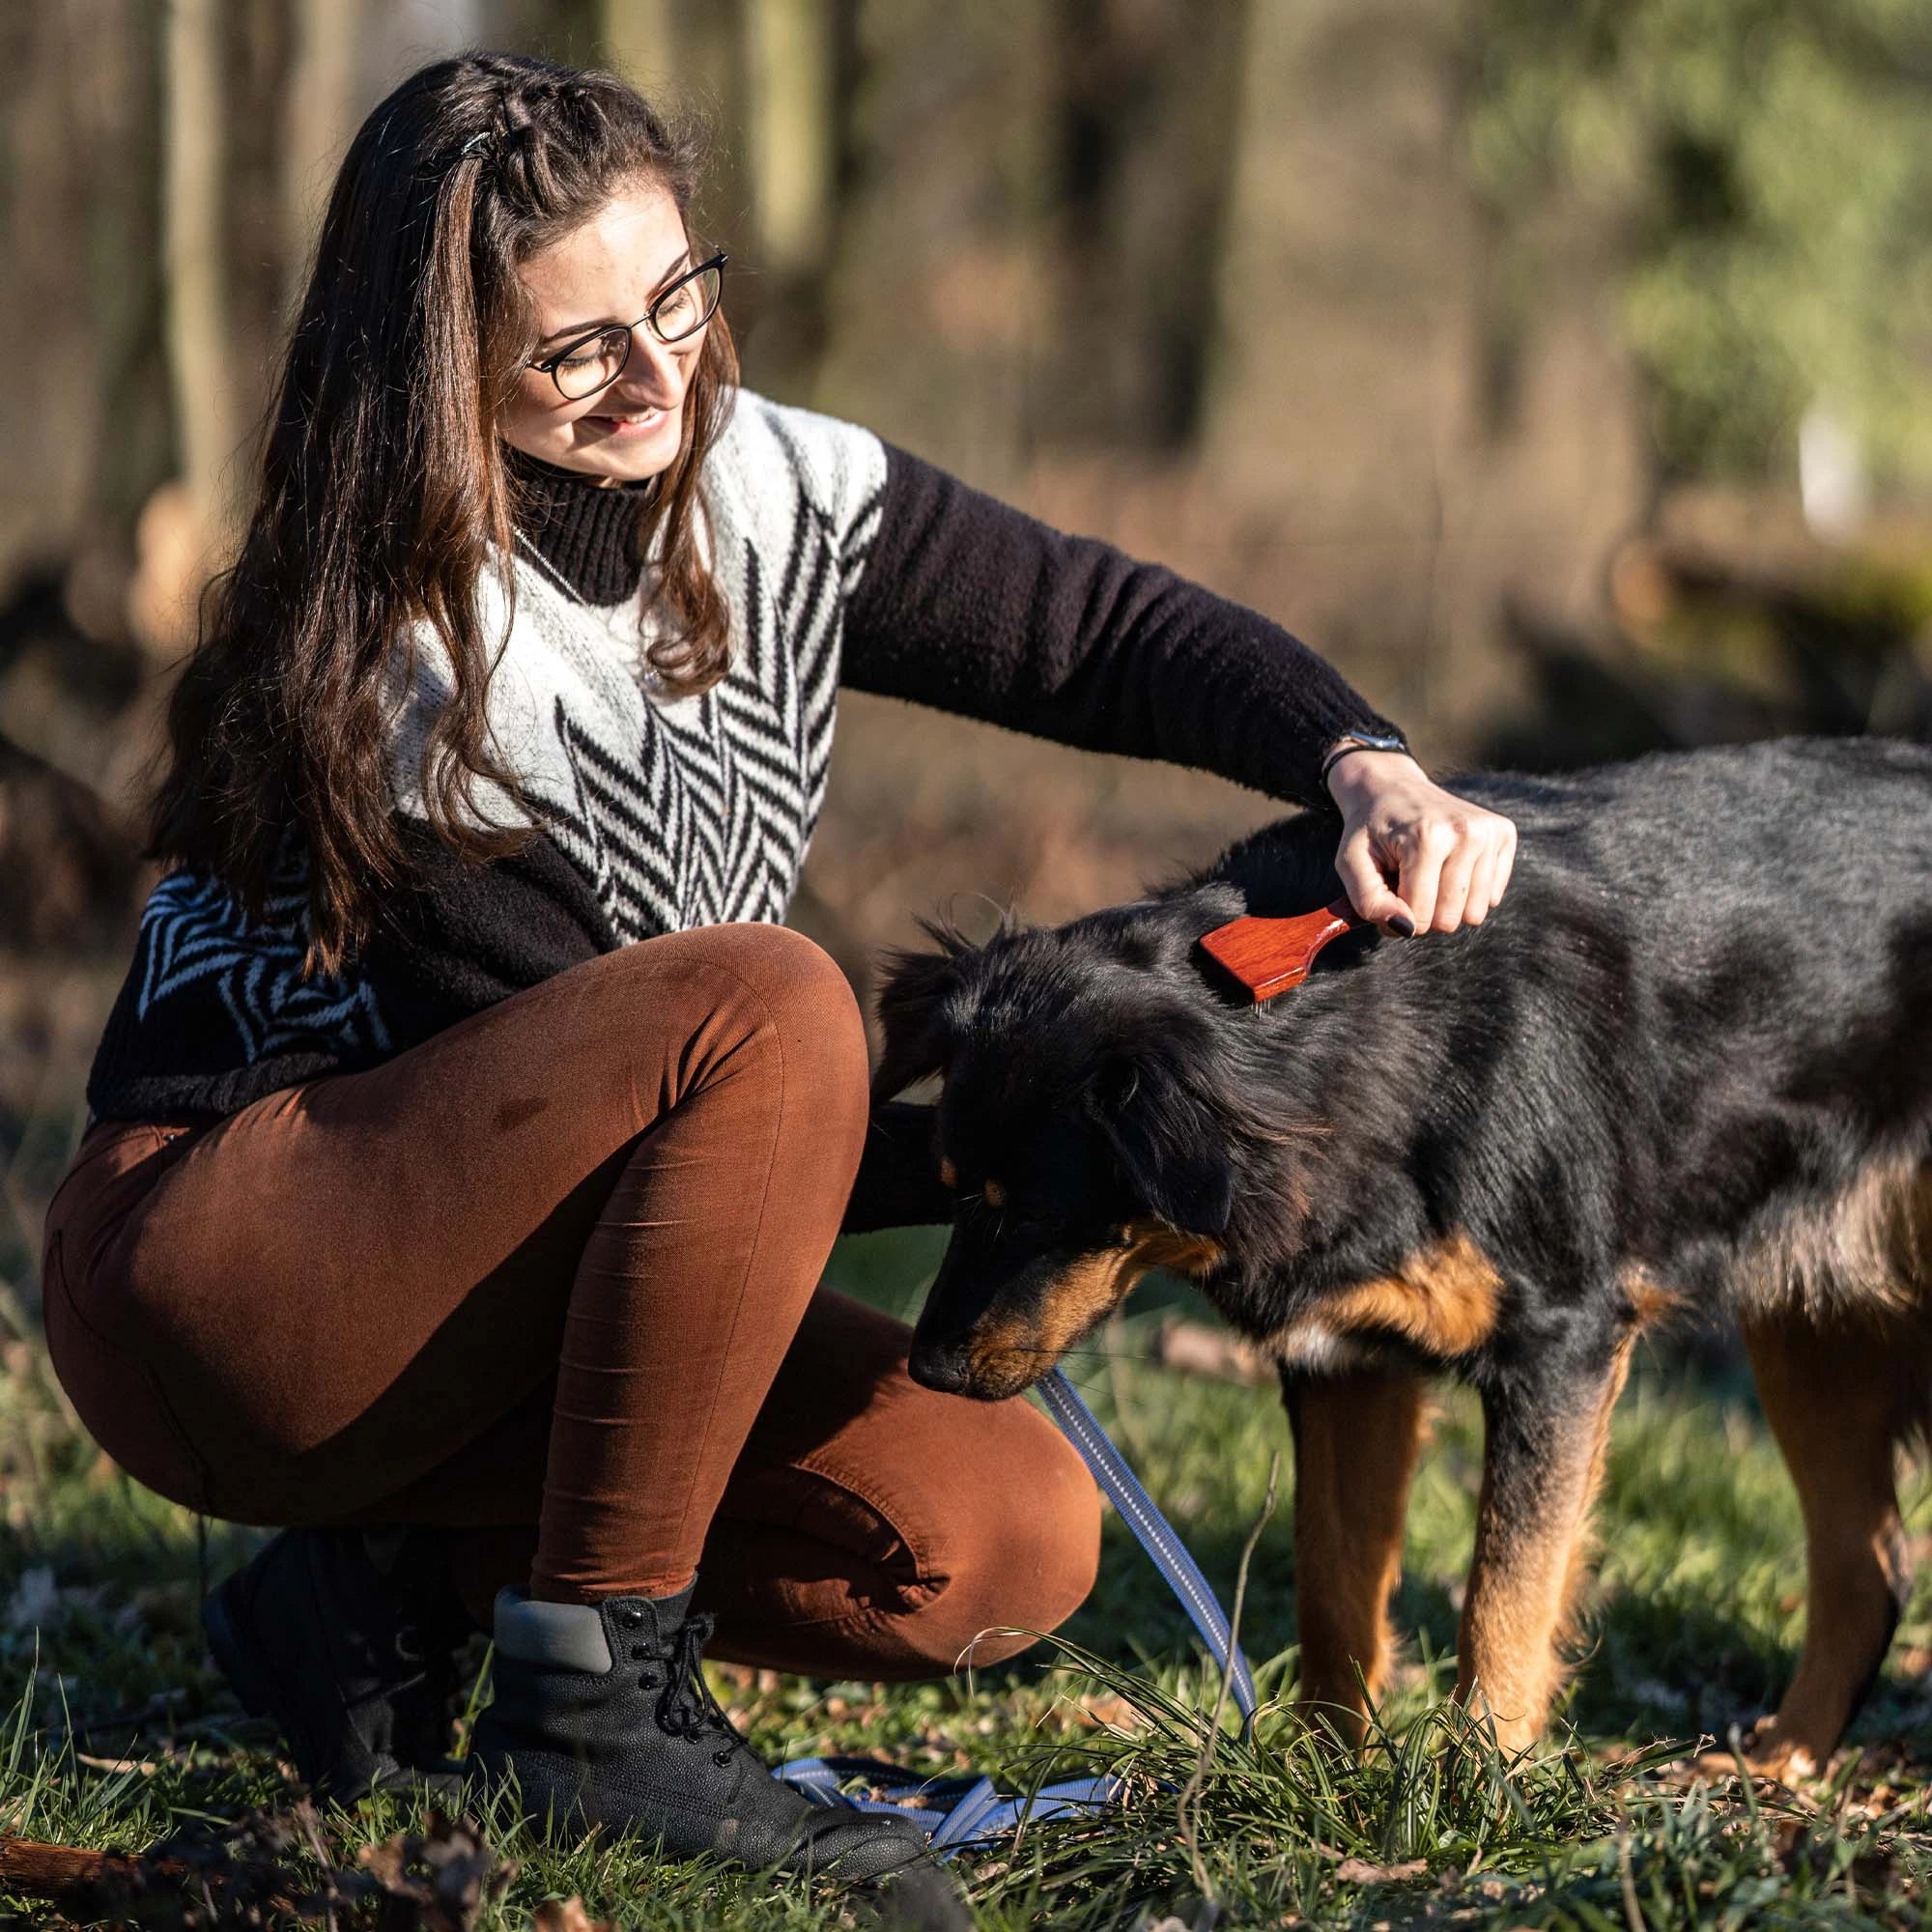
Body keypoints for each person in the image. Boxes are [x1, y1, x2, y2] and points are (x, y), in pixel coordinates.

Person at [38, 47, 1516, 1924]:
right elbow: (716, 1143)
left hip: (486, 1272)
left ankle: (372, 1601)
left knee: (992, 1537)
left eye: (676, 298)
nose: (658, 379)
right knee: (769, 1008)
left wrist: (1358, 759)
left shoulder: (766, 482)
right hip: (234, 1275)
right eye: (576, 352)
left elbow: (1095, 631)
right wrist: (1094, 1129)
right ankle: (598, 1702)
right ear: (443, 376)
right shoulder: (420, 658)